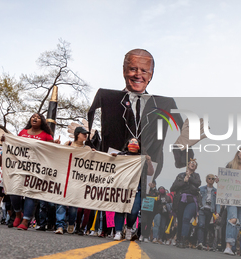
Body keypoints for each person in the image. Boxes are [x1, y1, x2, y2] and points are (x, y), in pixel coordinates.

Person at [87, 49, 185, 178]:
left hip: (146, 172)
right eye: (133, 69)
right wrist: (89, 141)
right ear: (124, 71)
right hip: (111, 172)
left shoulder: (163, 104)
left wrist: (181, 154)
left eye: (144, 71)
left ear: (151, 75)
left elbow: (183, 131)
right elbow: (91, 117)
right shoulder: (108, 98)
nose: (138, 75)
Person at [9, 113, 53, 230]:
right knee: (14, 192)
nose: (35, 118)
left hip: (36, 169)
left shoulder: (46, 135)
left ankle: (25, 221)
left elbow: (51, 151)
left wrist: (55, 145)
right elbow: (14, 145)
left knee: (30, 194)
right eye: (33, 117)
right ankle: (18, 214)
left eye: (38, 117)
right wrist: (6, 140)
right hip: (20, 166)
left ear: (42, 122)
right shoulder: (23, 132)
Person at [110, 137, 153, 240]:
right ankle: (118, 231)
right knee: (120, 209)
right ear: (128, 144)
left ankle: (129, 228)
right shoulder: (121, 155)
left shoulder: (142, 158)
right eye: (131, 142)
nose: (133, 143)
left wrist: (149, 162)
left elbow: (150, 173)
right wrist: (113, 158)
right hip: (122, 187)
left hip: (136, 188)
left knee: (134, 211)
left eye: (136, 142)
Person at [54, 126, 92, 234]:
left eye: (86, 133)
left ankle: (71, 223)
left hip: (77, 179)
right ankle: (60, 225)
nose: (85, 135)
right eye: (83, 133)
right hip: (65, 176)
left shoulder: (87, 149)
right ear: (77, 134)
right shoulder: (68, 144)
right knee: (61, 202)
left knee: (73, 204)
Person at [170, 158, 201, 248]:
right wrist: (184, 181)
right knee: (180, 219)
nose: (192, 164)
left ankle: (183, 239)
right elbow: (173, 187)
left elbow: (198, 183)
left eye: (194, 163)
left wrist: (190, 178)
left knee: (186, 218)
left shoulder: (196, 176)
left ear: (195, 167)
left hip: (191, 199)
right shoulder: (180, 175)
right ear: (188, 165)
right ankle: (179, 238)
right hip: (180, 199)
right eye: (191, 162)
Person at [197, 174, 217, 250]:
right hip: (202, 208)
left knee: (206, 227)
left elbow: (217, 202)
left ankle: (204, 243)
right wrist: (197, 209)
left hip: (210, 210)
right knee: (201, 224)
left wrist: (217, 212)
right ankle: (200, 242)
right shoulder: (201, 189)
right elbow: (197, 198)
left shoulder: (216, 191)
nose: (211, 180)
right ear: (206, 179)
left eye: (212, 178)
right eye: (209, 178)